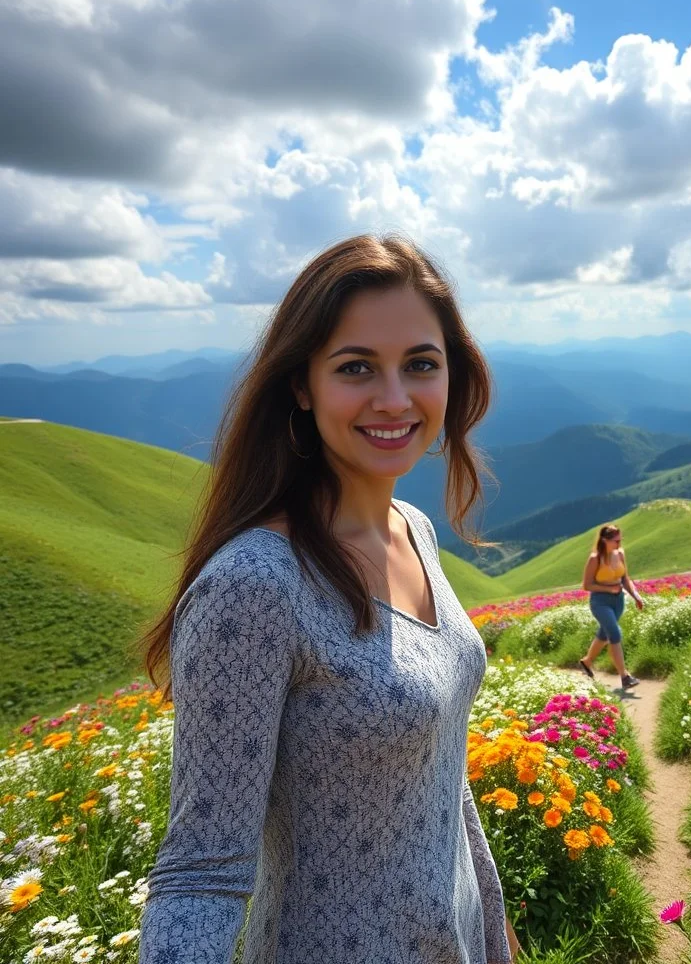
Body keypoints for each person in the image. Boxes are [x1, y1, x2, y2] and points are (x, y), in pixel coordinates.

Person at [138, 235, 520, 964]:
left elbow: (440, 775)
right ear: (302, 385)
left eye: (420, 364)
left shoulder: (415, 530)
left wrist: (497, 932)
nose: (395, 399)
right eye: (356, 368)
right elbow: (201, 873)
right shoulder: (256, 587)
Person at [578, 523, 643, 690]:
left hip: (618, 600)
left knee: (604, 634)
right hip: (600, 602)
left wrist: (635, 595)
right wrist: (608, 588)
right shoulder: (595, 559)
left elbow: (625, 579)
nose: (619, 544)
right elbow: (587, 585)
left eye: (620, 540)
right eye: (615, 541)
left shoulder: (620, 554)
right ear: (605, 541)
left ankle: (587, 662)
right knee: (614, 633)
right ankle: (625, 676)